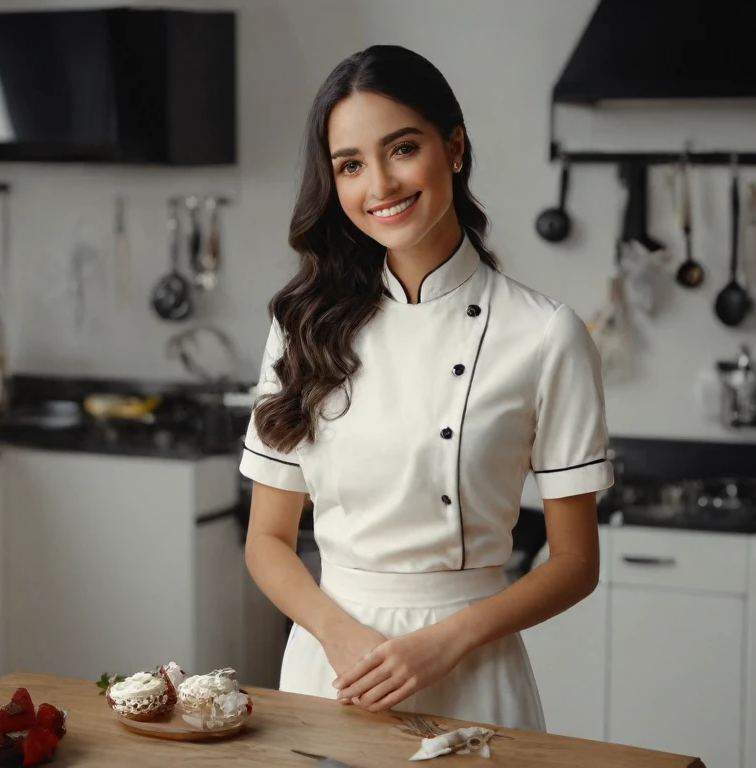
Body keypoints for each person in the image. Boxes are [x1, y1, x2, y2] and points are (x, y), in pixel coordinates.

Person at [239, 44, 610, 732]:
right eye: (350, 164)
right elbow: (267, 538)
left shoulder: (545, 335)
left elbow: (576, 562)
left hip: (473, 672)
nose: (379, 184)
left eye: (401, 148)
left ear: (455, 146)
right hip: (330, 669)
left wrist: (449, 640)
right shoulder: (302, 327)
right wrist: (338, 634)